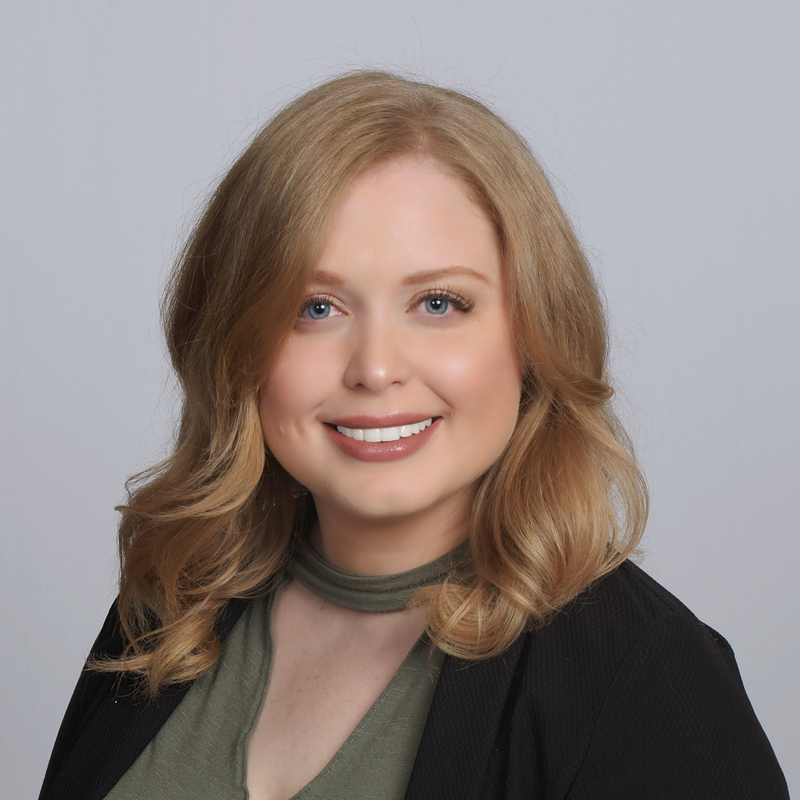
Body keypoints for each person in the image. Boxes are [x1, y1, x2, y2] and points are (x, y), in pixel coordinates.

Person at [39, 70, 788, 800]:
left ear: (533, 333)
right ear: (239, 345)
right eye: (316, 308)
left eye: (438, 302)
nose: (374, 368)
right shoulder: (169, 613)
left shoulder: (649, 680)